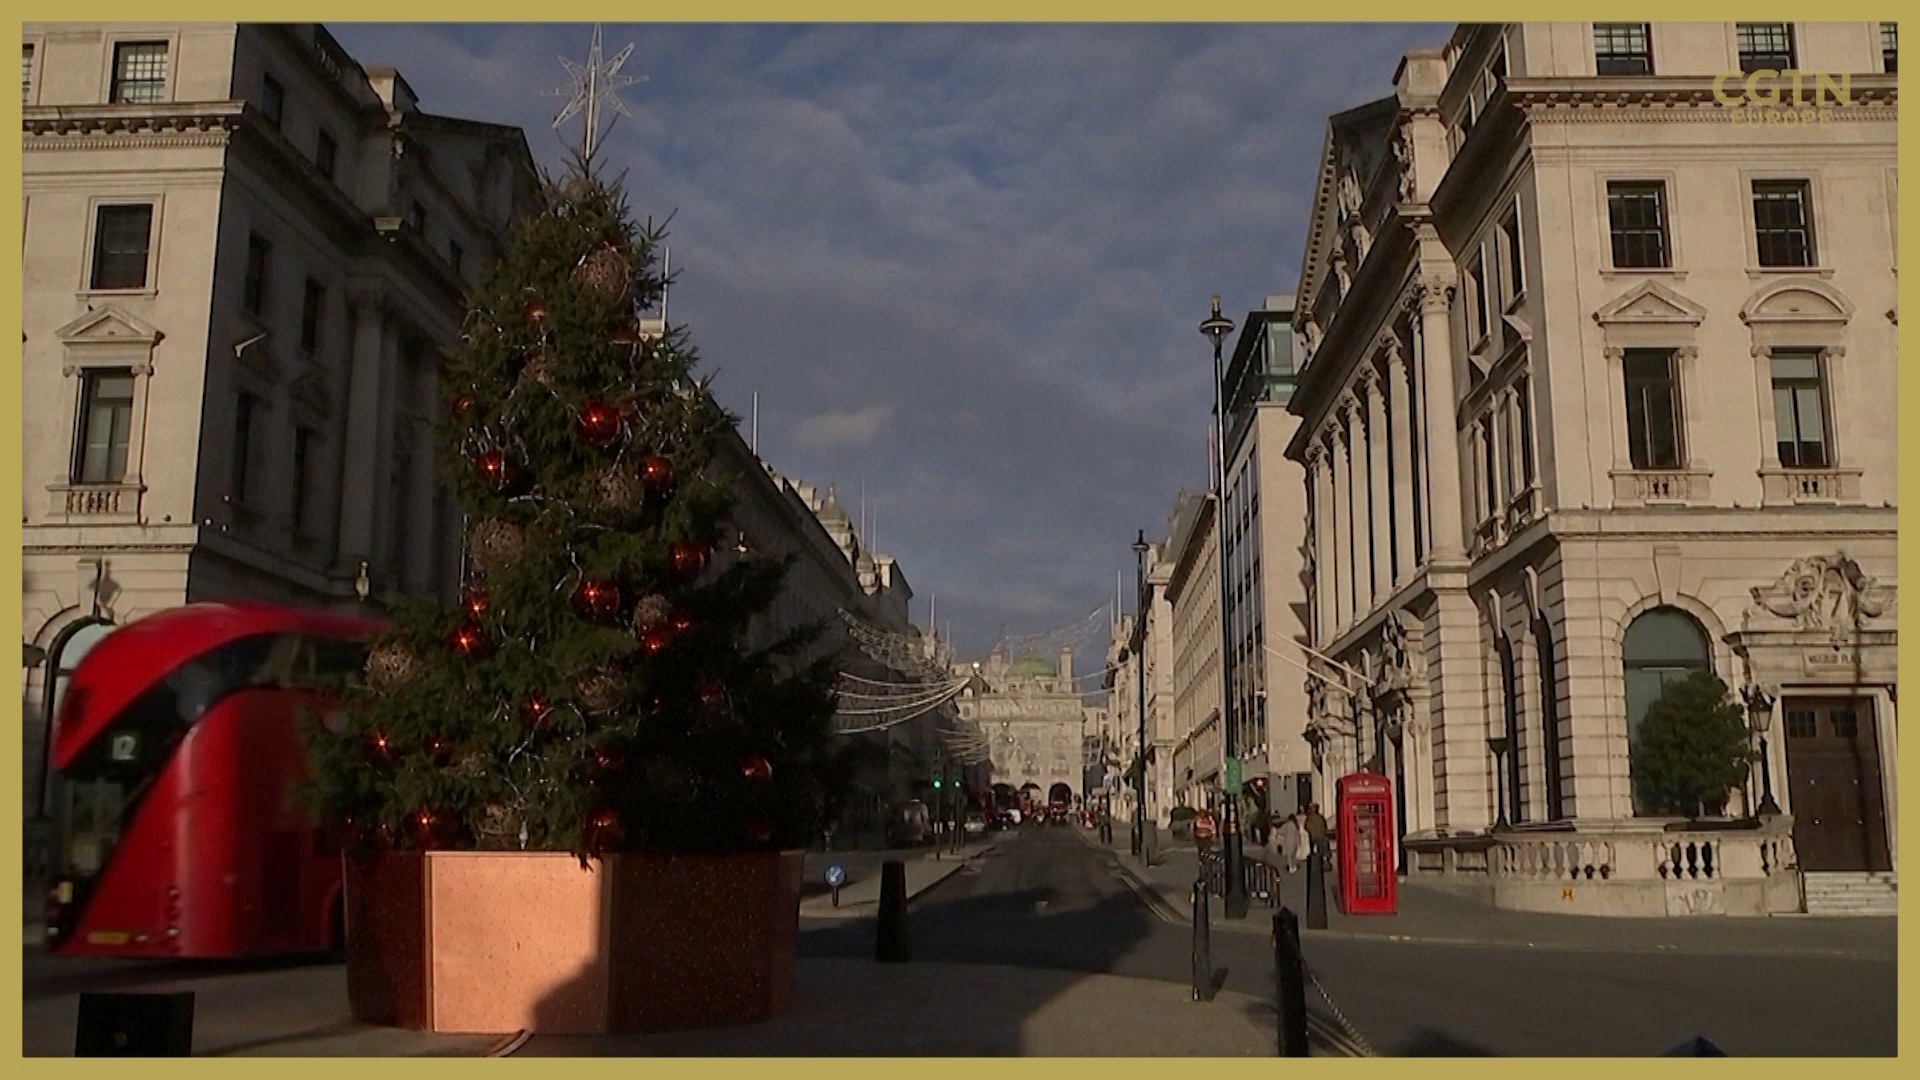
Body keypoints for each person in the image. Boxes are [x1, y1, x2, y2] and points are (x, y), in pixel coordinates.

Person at [1302, 802, 1331, 872]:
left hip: (1313, 837)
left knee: (1313, 848)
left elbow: (1306, 827)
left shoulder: (1309, 818)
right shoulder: (1320, 817)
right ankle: (1325, 861)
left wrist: (1311, 832)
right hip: (1321, 836)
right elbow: (1325, 826)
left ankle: (1314, 859)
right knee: (1324, 848)